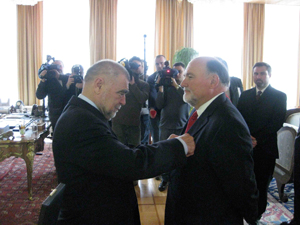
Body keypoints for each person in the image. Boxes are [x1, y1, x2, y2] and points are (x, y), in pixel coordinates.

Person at [52, 59, 195, 225]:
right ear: (98, 85)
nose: (123, 101)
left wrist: (163, 145)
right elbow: (131, 163)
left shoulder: (85, 114)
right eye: (121, 93)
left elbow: (117, 151)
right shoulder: (82, 122)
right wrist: (179, 146)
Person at [165, 56, 259, 225]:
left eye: (190, 76)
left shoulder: (228, 123)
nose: (183, 83)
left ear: (213, 81)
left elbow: (241, 186)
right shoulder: (203, 111)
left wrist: (250, 218)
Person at [237, 62, 287, 222]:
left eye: (262, 74)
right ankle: (244, 211)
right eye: (256, 74)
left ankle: (256, 216)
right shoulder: (245, 95)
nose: (259, 77)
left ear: (269, 75)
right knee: (244, 183)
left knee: (261, 185)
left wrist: (258, 140)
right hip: (246, 147)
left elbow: (277, 122)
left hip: (266, 149)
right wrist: (247, 138)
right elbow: (238, 119)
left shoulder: (280, 96)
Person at [155, 62, 189, 191]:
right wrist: (160, 88)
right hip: (165, 125)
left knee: (180, 153)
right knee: (165, 153)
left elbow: (185, 99)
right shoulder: (166, 86)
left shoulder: (186, 87)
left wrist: (176, 85)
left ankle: (178, 180)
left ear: (184, 73)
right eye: (175, 71)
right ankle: (165, 179)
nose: (176, 74)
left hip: (181, 125)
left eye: (179, 71)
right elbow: (159, 105)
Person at [112, 56, 149, 148]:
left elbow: (142, 98)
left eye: (138, 65)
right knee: (118, 148)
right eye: (133, 65)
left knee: (135, 150)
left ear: (142, 67)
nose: (136, 68)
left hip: (134, 123)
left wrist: (133, 85)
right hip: (118, 121)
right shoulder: (120, 82)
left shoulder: (144, 84)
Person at [36, 60, 83, 130]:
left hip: (69, 113)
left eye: (60, 66)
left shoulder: (69, 78)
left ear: (63, 67)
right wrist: (43, 80)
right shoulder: (48, 81)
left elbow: (77, 95)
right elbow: (39, 95)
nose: (58, 68)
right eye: (55, 66)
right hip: (55, 115)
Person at [147, 55, 166, 143]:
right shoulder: (151, 78)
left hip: (169, 111)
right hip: (155, 110)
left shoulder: (172, 77)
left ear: (165, 63)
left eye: (161, 63)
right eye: (157, 64)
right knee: (156, 137)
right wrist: (151, 108)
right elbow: (151, 95)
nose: (159, 66)